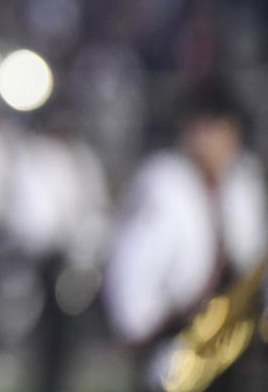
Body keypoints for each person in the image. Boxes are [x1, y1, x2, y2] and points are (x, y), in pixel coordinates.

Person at [103, 78, 267, 392]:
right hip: (175, 330)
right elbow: (134, 261)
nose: (219, 140)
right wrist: (140, 329)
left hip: (230, 331)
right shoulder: (163, 182)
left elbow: (251, 255)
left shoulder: (241, 182)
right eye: (209, 129)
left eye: (225, 130)